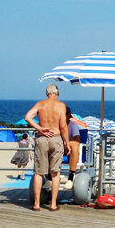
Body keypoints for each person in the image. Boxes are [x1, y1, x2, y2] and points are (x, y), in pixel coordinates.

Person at [24, 83, 70, 212]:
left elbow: (27, 117)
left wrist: (40, 128)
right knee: (55, 173)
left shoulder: (40, 104)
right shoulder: (61, 105)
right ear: (57, 93)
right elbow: (63, 126)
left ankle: (37, 204)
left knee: (39, 173)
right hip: (56, 138)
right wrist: (67, 142)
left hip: (42, 139)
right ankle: (53, 204)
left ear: (47, 93)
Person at [63, 108, 88, 188]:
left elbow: (77, 140)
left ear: (67, 115)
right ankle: (49, 176)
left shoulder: (72, 125)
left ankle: (71, 176)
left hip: (68, 148)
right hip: (58, 146)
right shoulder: (56, 124)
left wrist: (66, 143)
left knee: (74, 145)